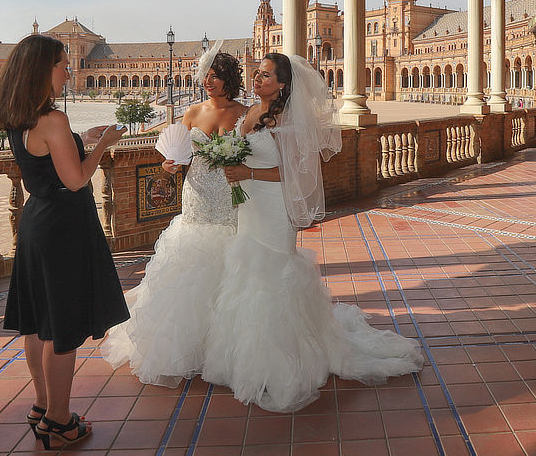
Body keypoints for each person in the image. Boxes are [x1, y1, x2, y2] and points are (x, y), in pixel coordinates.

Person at [203, 53, 424, 413]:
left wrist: (248, 174)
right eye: (257, 74)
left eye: (266, 76)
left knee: (273, 275)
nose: (257, 80)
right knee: (247, 273)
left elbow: (299, 176)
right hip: (250, 206)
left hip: (273, 207)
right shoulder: (250, 114)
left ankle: (282, 360)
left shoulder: (289, 121)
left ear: (283, 84)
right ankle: (247, 354)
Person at [0, 34, 129, 449]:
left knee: (37, 323)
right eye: (63, 64)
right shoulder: (53, 120)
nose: (69, 70)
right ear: (43, 70)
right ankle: (61, 420)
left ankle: (41, 404)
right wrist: (103, 144)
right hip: (63, 226)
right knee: (62, 327)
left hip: (36, 222)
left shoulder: (18, 116)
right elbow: (75, 179)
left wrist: (79, 139)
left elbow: (48, 160)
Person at [101, 44, 247, 384]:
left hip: (229, 193)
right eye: (205, 77)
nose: (208, 82)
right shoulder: (193, 112)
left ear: (229, 79)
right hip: (196, 193)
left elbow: (255, 155)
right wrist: (169, 165)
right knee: (191, 258)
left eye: (215, 77)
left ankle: (224, 341)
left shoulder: (244, 113)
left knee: (228, 254)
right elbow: (179, 157)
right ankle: (187, 342)